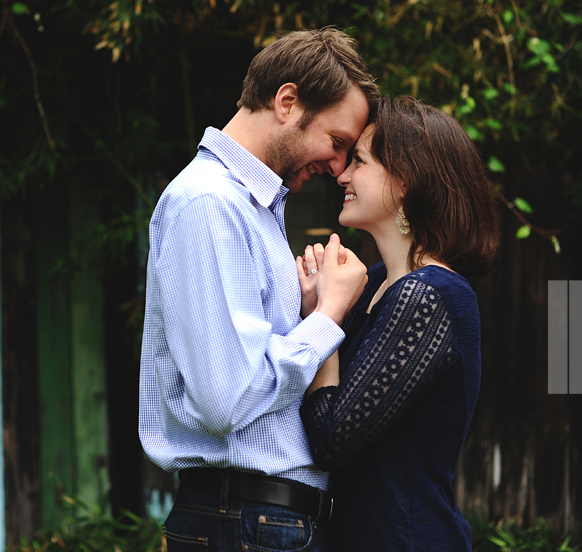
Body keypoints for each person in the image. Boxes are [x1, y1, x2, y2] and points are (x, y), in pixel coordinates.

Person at [138, 27, 379, 552]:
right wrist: (327, 318)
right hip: (246, 520)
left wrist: (311, 309)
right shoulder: (210, 204)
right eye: (336, 143)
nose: (338, 167)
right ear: (288, 102)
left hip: (257, 520)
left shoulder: (255, 209)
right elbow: (225, 398)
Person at [297, 96, 501, 552]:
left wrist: (323, 318)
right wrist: (321, 304)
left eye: (360, 162)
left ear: (406, 180)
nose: (343, 175)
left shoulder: (429, 296)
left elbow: (330, 440)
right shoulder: (369, 286)